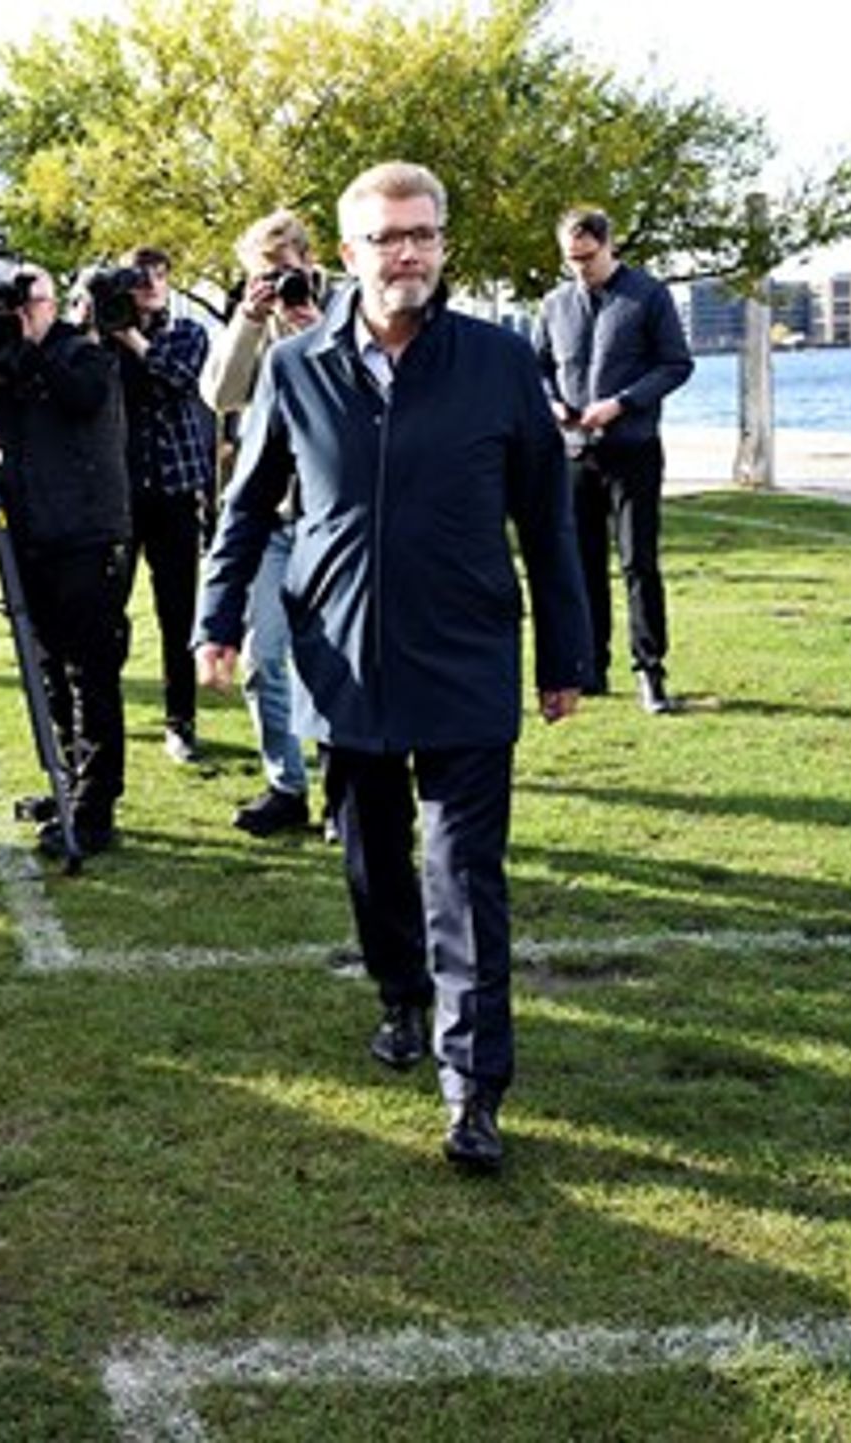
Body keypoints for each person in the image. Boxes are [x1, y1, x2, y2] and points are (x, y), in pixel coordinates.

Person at [196, 161, 593, 1174]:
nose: (404, 252)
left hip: (464, 657)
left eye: (421, 234)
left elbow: (548, 521)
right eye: (385, 238)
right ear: (348, 253)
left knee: (463, 876)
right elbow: (245, 509)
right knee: (374, 861)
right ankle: (399, 999)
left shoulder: (499, 363)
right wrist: (217, 619)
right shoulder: (296, 367)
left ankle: (473, 1089)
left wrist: (564, 653)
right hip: (344, 660)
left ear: (442, 244)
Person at [0, 264, 134, 852]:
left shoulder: (82, 353)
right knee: (48, 669)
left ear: (52, 302)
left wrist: (28, 348)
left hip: (88, 535)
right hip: (28, 535)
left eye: (25, 301)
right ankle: (67, 783)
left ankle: (94, 809)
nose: (13, 314)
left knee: (91, 673)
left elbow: (80, 398)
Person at [533, 207, 695, 714]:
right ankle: (592, 667)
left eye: (587, 257)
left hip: (634, 451)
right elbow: (535, 367)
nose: (579, 267)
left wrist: (622, 403)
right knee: (582, 566)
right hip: (575, 454)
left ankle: (651, 671)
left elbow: (676, 364)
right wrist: (553, 404)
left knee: (638, 562)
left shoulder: (648, 295)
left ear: (609, 246)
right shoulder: (554, 304)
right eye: (570, 259)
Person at [199, 210, 329, 838]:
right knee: (264, 657)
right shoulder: (250, 319)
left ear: (309, 261)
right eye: (264, 274)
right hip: (271, 519)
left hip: (328, 520)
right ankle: (286, 784)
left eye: (287, 271)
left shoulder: (346, 309)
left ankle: (343, 787)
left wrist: (314, 326)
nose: (279, 283)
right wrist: (250, 320)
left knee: (331, 661)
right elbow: (221, 395)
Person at [108, 246, 217, 766]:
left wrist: (131, 337)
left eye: (159, 273)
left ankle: (182, 722)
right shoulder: (102, 335)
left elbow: (177, 377)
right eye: (139, 276)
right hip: (118, 495)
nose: (150, 282)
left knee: (179, 615)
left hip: (174, 491)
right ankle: (104, 716)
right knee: (108, 611)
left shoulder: (188, 333)